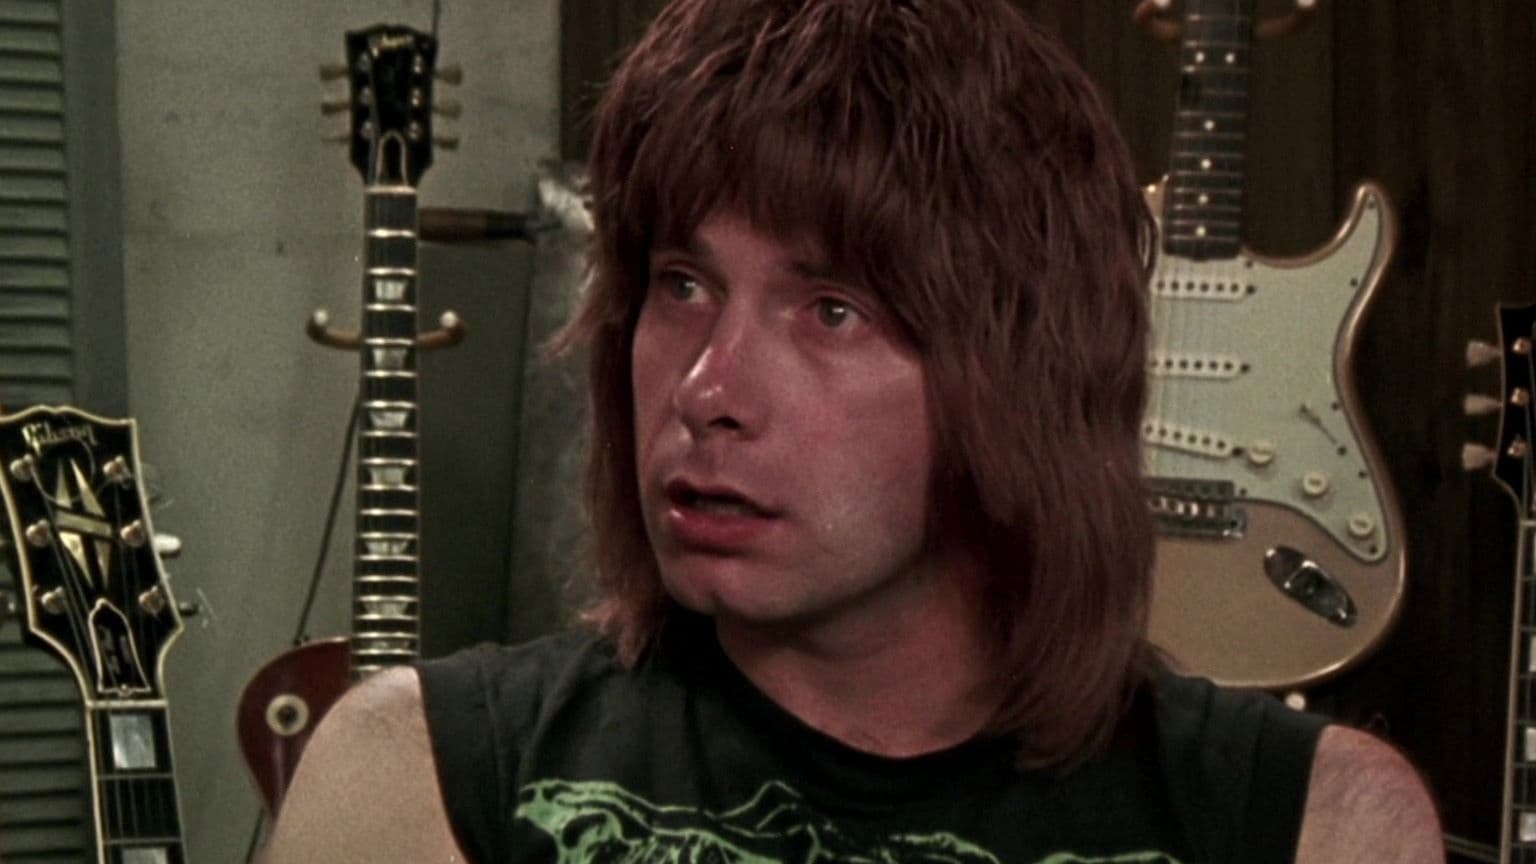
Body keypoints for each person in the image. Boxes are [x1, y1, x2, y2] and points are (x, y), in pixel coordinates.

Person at [263, 0, 1443, 861]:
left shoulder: (1318, 827)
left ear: (1023, 377)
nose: (709, 388)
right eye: (682, 285)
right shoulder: (414, 780)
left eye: (832, 310)